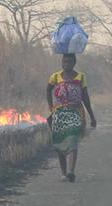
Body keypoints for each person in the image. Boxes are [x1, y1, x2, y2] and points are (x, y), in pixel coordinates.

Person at [46, 53, 96, 182]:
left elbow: (85, 97)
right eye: (64, 62)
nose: (66, 64)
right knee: (60, 143)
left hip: (75, 113)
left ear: (74, 63)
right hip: (59, 114)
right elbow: (48, 90)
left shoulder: (80, 77)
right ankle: (64, 173)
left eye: (69, 62)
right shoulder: (55, 76)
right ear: (62, 62)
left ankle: (71, 171)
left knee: (73, 140)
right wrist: (51, 107)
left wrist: (91, 116)